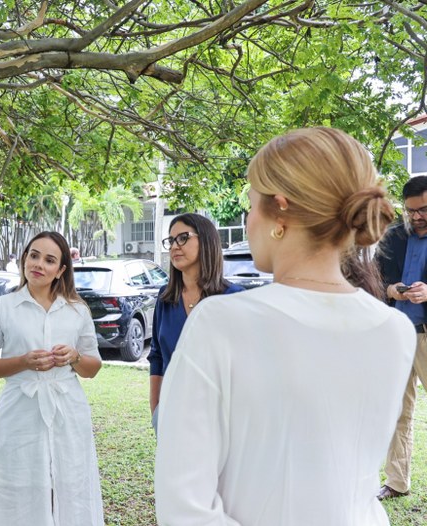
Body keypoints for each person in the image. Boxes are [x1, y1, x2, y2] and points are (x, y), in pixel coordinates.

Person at [154, 127, 416, 525]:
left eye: (251, 203)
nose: (247, 221)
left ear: (279, 210)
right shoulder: (393, 330)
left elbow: (184, 506)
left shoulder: (221, 322)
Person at [0, 231, 103, 525]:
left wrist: (74, 357)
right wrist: (23, 362)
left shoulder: (76, 310)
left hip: (68, 411)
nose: (38, 265)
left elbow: (93, 367)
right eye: (34, 256)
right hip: (20, 411)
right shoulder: (2, 308)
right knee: (19, 491)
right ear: (24, 259)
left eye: (49, 260)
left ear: (60, 270)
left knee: (70, 485)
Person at [148, 213, 243, 432]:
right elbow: (157, 357)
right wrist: (156, 410)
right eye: (170, 240)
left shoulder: (232, 297)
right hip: (172, 413)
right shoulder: (165, 298)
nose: (174, 246)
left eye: (183, 238)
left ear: (206, 241)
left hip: (220, 416)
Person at [374, 175, 427, 500]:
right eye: (411, 211)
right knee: (397, 410)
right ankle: (396, 481)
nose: (417, 216)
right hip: (397, 335)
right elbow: (376, 282)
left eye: (423, 209)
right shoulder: (392, 237)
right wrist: (392, 290)